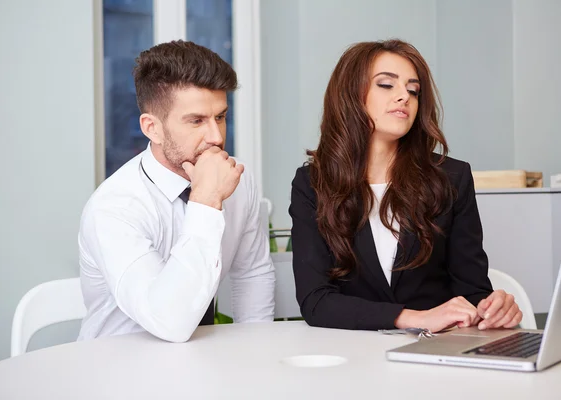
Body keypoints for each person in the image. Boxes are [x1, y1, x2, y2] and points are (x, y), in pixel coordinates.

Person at [289, 39, 523, 333]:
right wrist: (414, 318)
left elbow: (471, 291)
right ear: (350, 95)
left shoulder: (452, 178)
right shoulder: (312, 184)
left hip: (435, 354)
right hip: (351, 357)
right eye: (387, 85)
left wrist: (493, 308)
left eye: (413, 90)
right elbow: (316, 301)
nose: (405, 97)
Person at [78, 40, 275, 343]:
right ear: (152, 128)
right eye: (196, 121)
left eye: (220, 117)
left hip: (203, 365)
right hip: (119, 373)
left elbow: (252, 275)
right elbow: (169, 322)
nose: (216, 137)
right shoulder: (114, 207)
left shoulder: (238, 179)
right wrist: (206, 201)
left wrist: (256, 355)